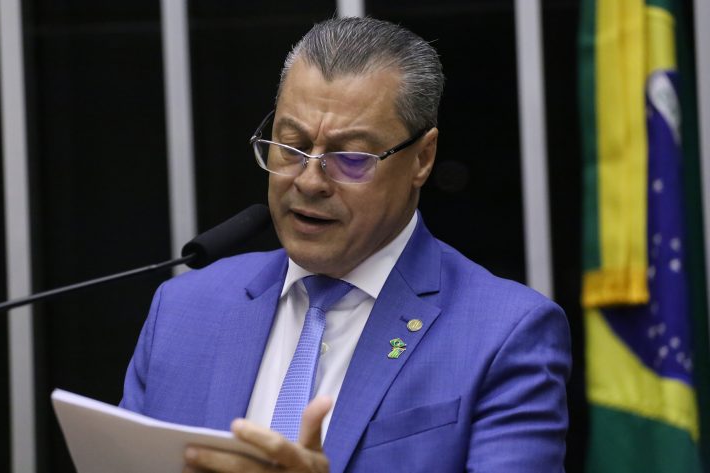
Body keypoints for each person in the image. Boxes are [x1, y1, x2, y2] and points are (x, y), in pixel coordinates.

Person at [121, 16, 571, 473]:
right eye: (292, 146)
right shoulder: (182, 310)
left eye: (351, 158)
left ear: (422, 158)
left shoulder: (505, 334)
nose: (309, 181)